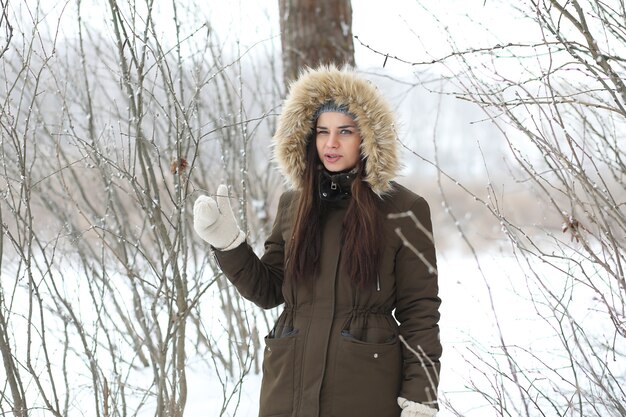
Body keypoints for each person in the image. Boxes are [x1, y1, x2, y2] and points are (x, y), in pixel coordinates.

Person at [193, 66, 441, 417]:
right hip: (289, 385)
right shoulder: (294, 204)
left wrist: (421, 394)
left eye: (345, 131)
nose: (331, 143)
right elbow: (270, 290)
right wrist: (230, 245)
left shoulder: (404, 209)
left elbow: (420, 310)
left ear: (368, 138)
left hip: (364, 389)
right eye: (322, 131)